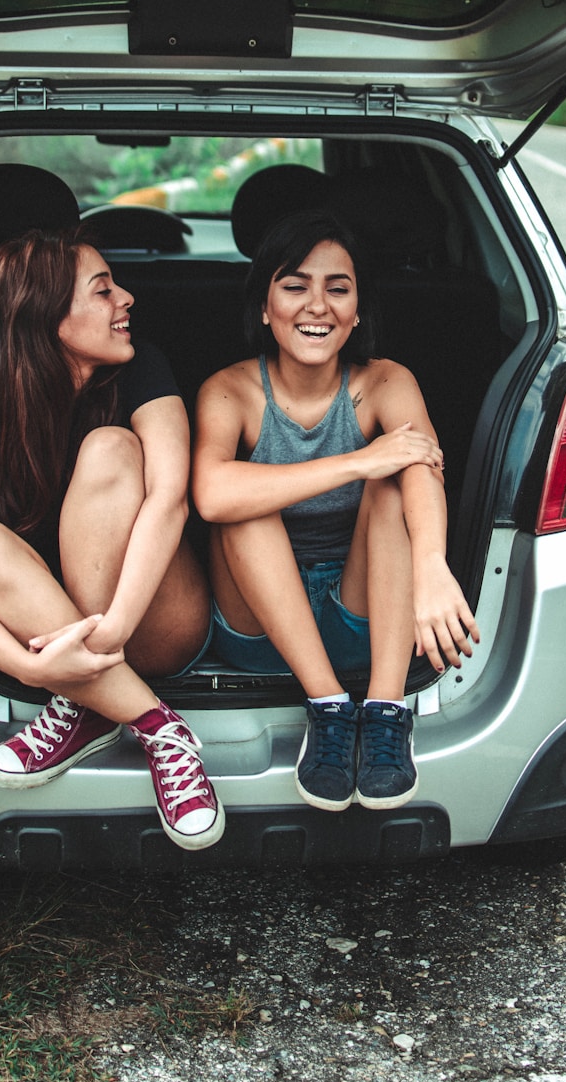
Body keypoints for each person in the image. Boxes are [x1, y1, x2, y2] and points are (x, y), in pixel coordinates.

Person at [0, 227, 224, 851]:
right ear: (47, 317)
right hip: (60, 647)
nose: (127, 299)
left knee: (110, 448)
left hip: (157, 621)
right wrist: (36, 668)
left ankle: (85, 703)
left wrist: (108, 635)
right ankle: (153, 725)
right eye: (104, 290)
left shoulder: (143, 373)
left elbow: (171, 498)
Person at [191, 210, 480, 812]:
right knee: (246, 501)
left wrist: (431, 568)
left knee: (396, 484)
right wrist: (357, 461)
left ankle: (383, 708)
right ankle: (327, 706)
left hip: (367, 622)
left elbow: (423, 466)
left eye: (337, 288)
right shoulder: (230, 390)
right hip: (260, 628)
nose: (316, 305)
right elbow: (212, 495)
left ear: (358, 313)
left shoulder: (386, 381)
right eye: (295, 286)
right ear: (265, 307)